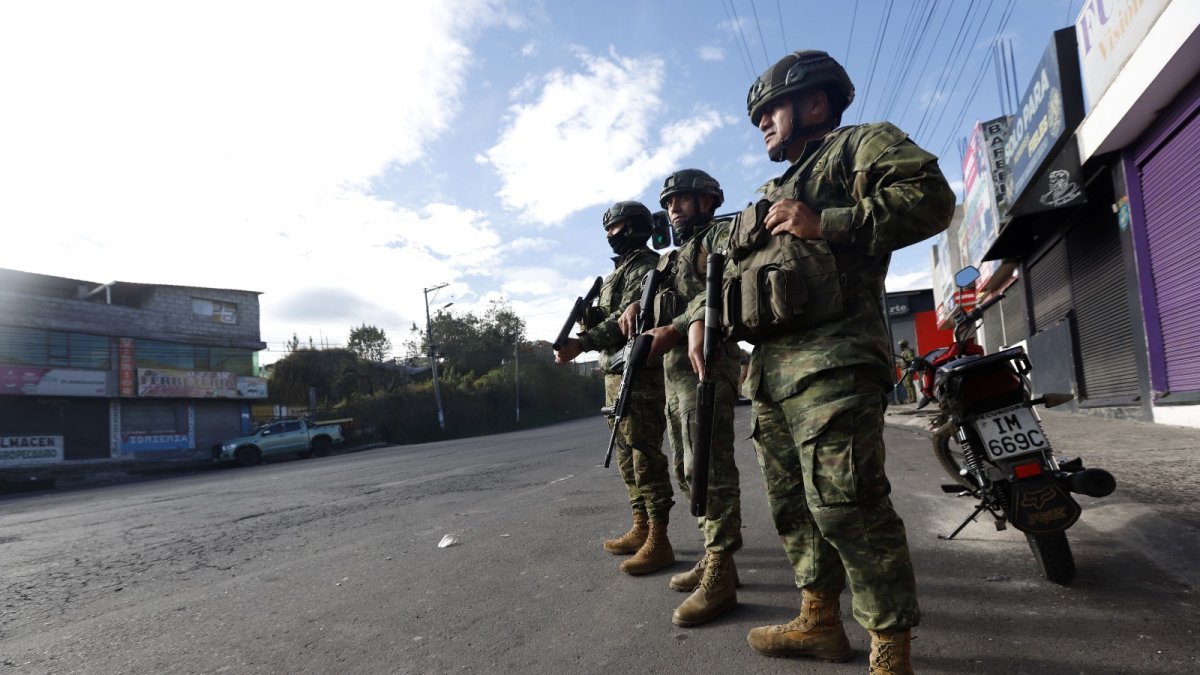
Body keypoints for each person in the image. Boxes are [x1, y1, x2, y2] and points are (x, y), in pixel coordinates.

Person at [686, 51, 954, 673]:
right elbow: (730, 268)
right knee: (794, 506)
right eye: (756, 117)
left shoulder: (859, 145)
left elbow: (931, 198)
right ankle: (819, 621)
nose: (761, 123)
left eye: (770, 110)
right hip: (771, 375)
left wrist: (828, 222)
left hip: (835, 363)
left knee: (848, 505)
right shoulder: (769, 195)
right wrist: (698, 315)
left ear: (814, 102)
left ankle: (890, 649)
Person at [620, 169, 743, 627]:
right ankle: (715, 557)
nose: (673, 208)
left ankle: (721, 573)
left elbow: (727, 282)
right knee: (686, 469)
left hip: (706, 365)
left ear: (708, 201)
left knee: (708, 468)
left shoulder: (720, 236)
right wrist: (639, 305)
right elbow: (669, 303)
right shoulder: (673, 258)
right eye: (669, 202)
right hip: (675, 376)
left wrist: (678, 325)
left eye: (683, 199)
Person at [555, 201, 674, 576]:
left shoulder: (650, 266)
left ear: (635, 226)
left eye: (616, 227)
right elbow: (607, 320)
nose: (610, 234)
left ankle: (659, 539)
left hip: (640, 374)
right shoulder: (613, 276)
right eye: (607, 229)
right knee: (626, 457)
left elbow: (627, 321)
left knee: (645, 456)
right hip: (614, 374)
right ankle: (641, 525)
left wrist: (582, 343)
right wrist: (587, 324)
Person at [897, 340, 917, 404]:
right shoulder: (903, 352)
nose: (900, 347)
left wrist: (906, 360)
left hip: (907, 370)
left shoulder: (908, 351)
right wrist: (900, 364)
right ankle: (910, 398)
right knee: (906, 385)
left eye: (901, 345)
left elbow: (912, 358)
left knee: (909, 384)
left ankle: (913, 398)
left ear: (904, 345)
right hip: (903, 370)